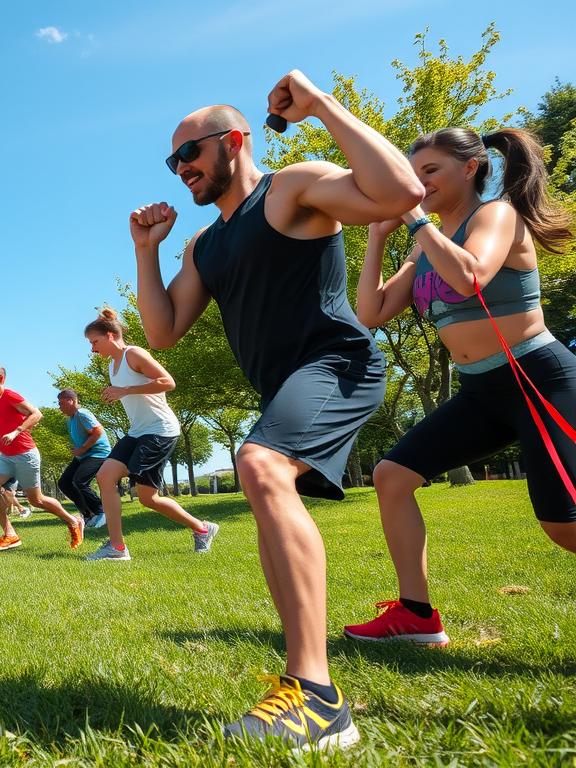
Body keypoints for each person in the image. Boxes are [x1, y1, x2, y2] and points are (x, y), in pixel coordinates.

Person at [131, 71, 422, 748]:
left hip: (338, 364)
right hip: (286, 385)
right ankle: (303, 684)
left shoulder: (290, 187)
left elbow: (399, 192)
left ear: (233, 141)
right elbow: (164, 330)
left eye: (189, 155)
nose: (180, 171)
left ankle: (317, 698)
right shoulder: (206, 244)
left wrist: (320, 106)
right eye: (172, 162)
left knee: (257, 463)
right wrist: (145, 253)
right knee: (265, 484)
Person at [344, 126, 576, 647]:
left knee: (565, 527)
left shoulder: (495, 215)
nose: (419, 184)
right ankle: (416, 614)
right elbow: (372, 312)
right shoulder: (422, 243)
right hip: (480, 393)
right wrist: (379, 239)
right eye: (413, 175)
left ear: (469, 168)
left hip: (535, 377)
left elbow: (469, 277)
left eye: (430, 171)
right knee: (391, 476)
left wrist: (414, 219)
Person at [78, 311, 219, 562]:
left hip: (159, 430)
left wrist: (125, 390)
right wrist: (118, 394)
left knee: (148, 498)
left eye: (94, 342)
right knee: (105, 476)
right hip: (137, 431)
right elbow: (130, 393)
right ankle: (117, 548)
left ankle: (202, 528)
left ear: (110, 336)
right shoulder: (113, 365)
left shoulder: (135, 353)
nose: (92, 349)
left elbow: (168, 382)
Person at [0, 365, 85, 551]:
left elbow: (37, 414)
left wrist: (16, 432)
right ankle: (10, 534)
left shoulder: (10, 396)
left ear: (0, 379)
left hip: (25, 455)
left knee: (36, 500)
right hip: (6, 457)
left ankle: (73, 521)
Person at [55, 389, 112, 529]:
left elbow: (97, 431)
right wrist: (78, 449)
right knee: (64, 483)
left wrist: (83, 448)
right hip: (84, 455)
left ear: (72, 401)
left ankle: (101, 511)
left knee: (79, 481)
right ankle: (87, 515)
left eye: (61, 403)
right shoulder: (71, 419)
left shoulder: (82, 414)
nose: (59, 407)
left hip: (98, 453)